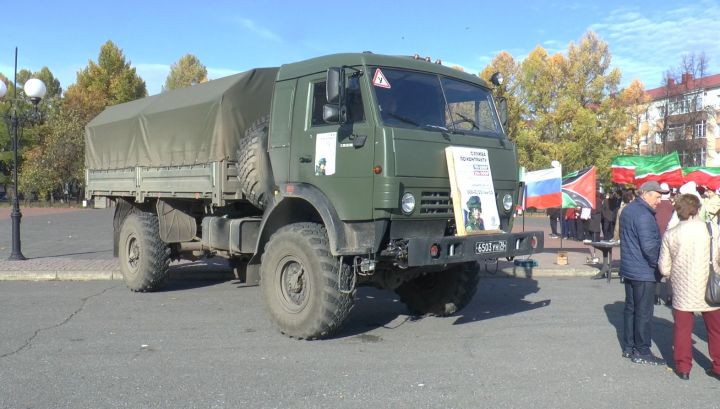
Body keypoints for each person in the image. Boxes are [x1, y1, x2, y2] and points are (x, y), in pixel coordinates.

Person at [658, 193, 720, 380]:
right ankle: (718, 366)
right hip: (709, 285)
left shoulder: (671, 234)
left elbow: (664, 267)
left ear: (678, 211)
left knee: (682, 329)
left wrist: (673, 274)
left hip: (683, 287)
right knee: (716, 329)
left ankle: (683, 367)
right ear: (698, 208)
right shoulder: (712, 230)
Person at [619, 181, 669, 365]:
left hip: (631, 268)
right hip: (643, 271)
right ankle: (642, 350)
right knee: (644, 312)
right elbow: (650, 247)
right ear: (646, 194)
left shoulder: (629, 210)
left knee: (631, 309)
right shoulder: (644, 215)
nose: (659, 201)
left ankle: (629, 347)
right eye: (657, 197)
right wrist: (660, 266)